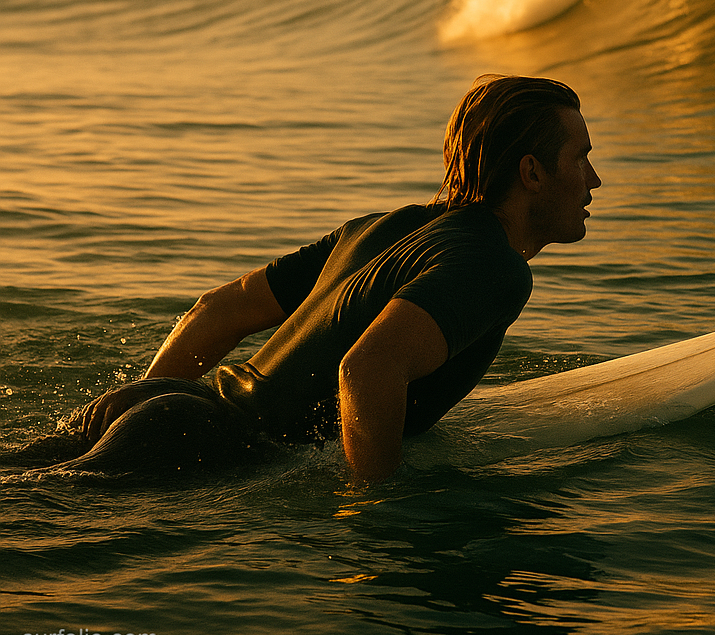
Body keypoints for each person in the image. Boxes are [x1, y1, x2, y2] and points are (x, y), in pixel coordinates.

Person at [12, 75, 601, 483]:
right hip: (196, 447)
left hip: (167, 408)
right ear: (531, 172)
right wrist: (370, 511)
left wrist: (148, 410)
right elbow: (368, 371)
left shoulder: (387, 227)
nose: (594, 179)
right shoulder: (494, 265)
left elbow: (217, 310)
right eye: (580, 158)